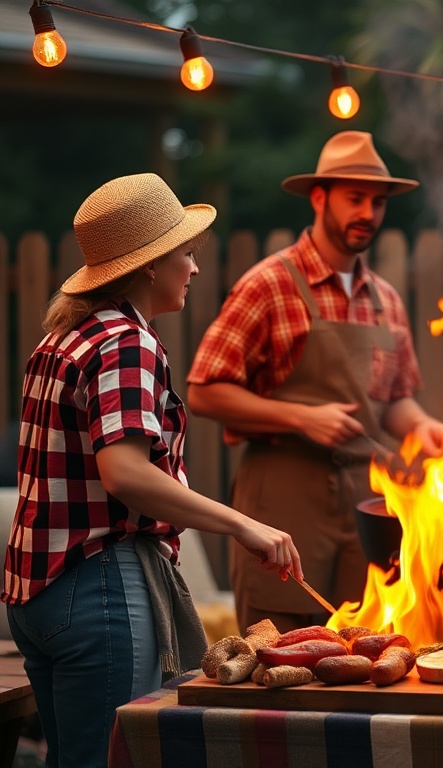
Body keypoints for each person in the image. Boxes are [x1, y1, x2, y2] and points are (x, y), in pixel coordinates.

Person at [1, 173, 303, 768]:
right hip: (98, 587)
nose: (194, 268)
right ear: (149, 266)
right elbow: (126, 474)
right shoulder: (125, 342)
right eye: (185, 254)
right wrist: (243, 524)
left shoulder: (61, 338)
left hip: (34, 594)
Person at [187, 131, 443, 634]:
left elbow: (395, 401)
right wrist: (301, 417)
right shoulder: (268, 284)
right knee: (279, 643)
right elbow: (204, 390)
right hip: (283, 491)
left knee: (364, 639)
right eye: (355, 198)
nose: (367, 213)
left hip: (366, 499)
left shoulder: (387, 300)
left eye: (377, 202)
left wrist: (422, 427)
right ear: (319, 198)